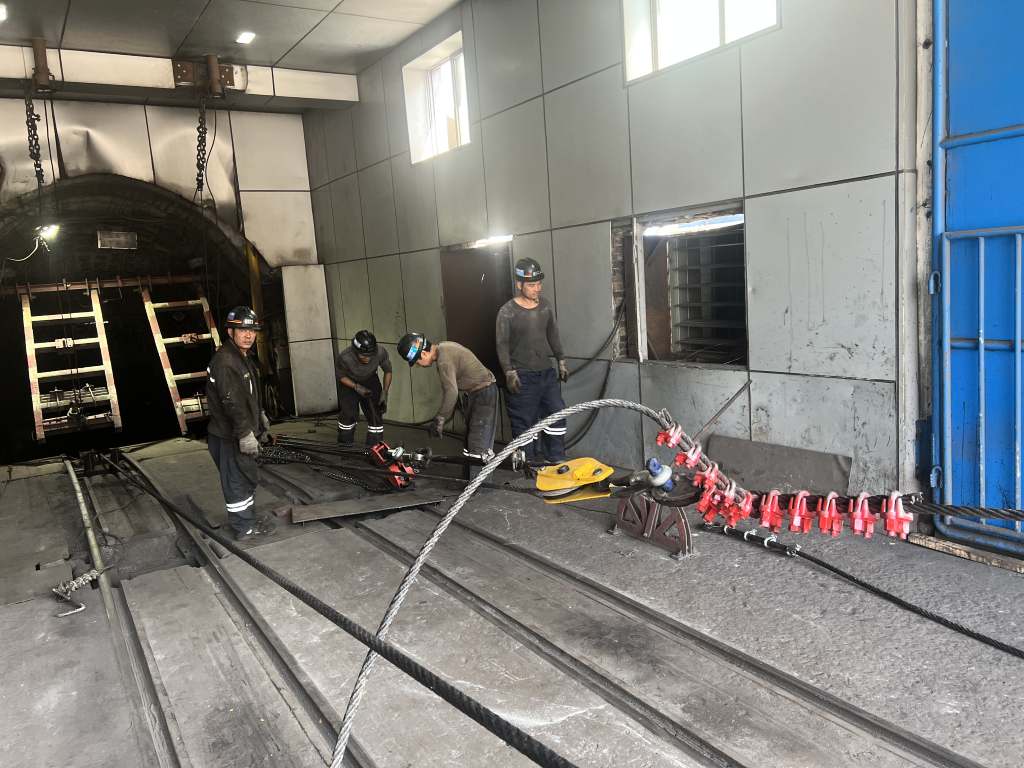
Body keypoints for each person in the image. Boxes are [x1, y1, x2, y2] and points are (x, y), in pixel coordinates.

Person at [206, 305, 275, 542]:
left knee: (245, 477)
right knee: (236, 482)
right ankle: (244, 528)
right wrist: (246, 434)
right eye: (243, 330)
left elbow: (247, 395)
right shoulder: (226, 362)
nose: (249, 335)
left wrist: (260, 415)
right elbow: (231, 402)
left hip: (239, 431)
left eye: (252, 330)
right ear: (230, 332)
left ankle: (247, 521)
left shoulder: (242, 357)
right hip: (230, 436)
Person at [496, 257, 570, 465]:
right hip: (522, 376)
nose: (537, 288)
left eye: (538, 284)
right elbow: (501, 344)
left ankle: (555, 457)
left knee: (556, 413)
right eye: (531, 285)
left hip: (546, 373)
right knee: (524, 421)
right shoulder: (507, 312)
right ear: (519, 284)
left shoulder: (545, 306)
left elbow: (553, 334)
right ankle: (527, 462)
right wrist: (509, 372)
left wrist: (561, 359)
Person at [398, 332, 497, 477]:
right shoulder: (444, 348)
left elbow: (451, 392)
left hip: (484, 395)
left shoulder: (443, 361)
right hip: (476, 393)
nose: (418, 365)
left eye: (416, 361)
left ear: (424, 354)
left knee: (478, 446)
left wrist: (440, 419)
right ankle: (468, 482)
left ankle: (480, 487)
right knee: (470, 444)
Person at [335, 329, 392, 446]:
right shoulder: (345, 357)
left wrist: (385, 392)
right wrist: (356, 387)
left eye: (370, 355)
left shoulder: (380, 352)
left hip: (370, 380)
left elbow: (388, 371)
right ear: (355, 351)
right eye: (363, 356)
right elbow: (341, 377)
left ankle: (374, 447)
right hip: (349, 383)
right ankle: (345, 446)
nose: (367, 359)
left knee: (375, 414)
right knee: (348, 415)